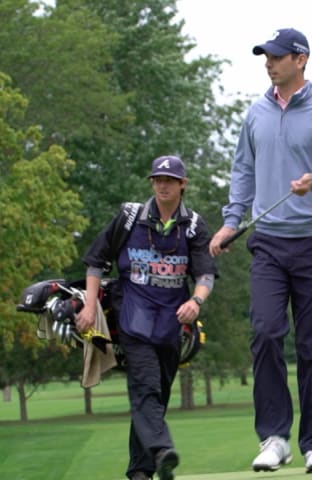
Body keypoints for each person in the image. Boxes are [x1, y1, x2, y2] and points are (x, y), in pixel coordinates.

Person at [208, 28, 312, 474]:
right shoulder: (255, 114)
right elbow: (243, 170)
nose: (269, 64)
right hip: (269, 243)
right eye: (265, 58)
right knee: (266, 333)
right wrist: (232, 222)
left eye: (276, 57)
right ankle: (274, 438)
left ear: (301, 59)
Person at [77, 155, 217, 480]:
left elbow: (206, 274)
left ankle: (141, 472)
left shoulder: (194, 225)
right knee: (146, 390)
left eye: (169, 180)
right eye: (157, 179)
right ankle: (162, 451)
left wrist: (196, 301)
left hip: (172, 327)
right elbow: (96, 261)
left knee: (157, 396)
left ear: (183, 184)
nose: (162, 185)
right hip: (134, 321)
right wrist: (88, 306)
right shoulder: (130, 217)